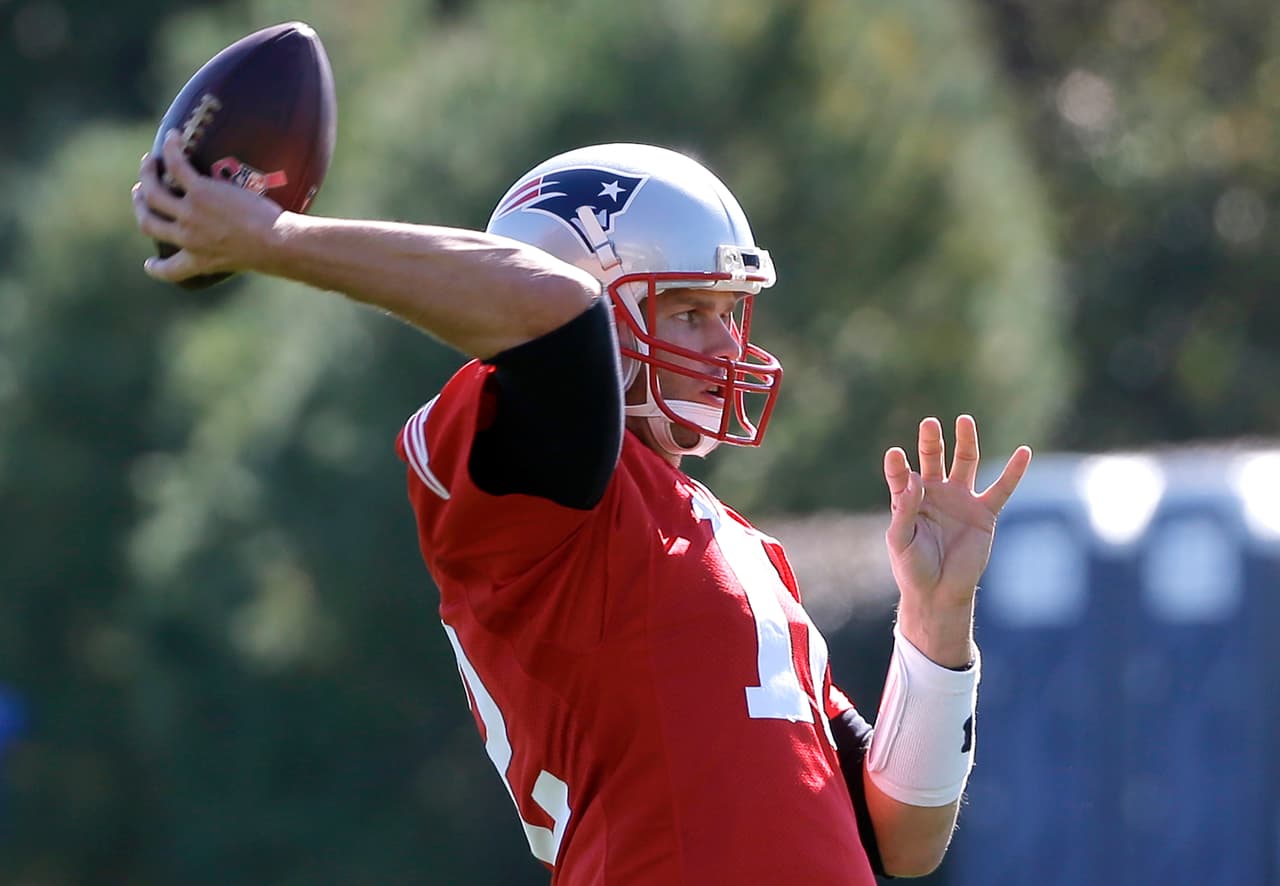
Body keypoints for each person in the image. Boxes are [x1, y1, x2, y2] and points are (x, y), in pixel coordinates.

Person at [133, 131, 1032, 883]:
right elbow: (553, 314)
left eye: (730, 310)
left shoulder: (737, 549)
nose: (725, 341)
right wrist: (279, 238)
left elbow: (904, 838)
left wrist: (936, 618)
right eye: (687, 310)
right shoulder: (549, 488)